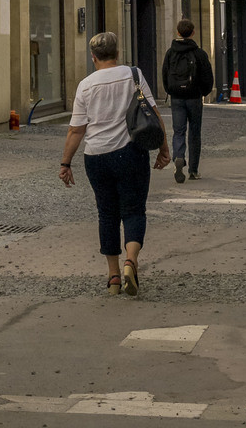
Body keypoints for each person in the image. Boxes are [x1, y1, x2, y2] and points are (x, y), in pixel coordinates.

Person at [58, 28, 164, 297]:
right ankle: (131, 261)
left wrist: (65, 163)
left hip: (96, 157)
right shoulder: (133, 75)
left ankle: (114, 277)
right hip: (130, 152)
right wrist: (164, 147)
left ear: (93, 57)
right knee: (133, 210)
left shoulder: (86, 85)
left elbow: (76, 130)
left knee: (106, 214)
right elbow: (152, 113)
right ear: (117, 54)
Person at [161, 16, 215, 183]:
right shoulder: (199, 53)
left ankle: (178, 156)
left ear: (177, 32)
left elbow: (164, 74)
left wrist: (170, 90)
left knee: (178, 131)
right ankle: (193, 169)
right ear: (193, 33)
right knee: (194, 132)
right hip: (194, 97)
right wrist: (203, 92)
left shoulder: (171, 53)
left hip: (177, 97)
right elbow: (208, 76)